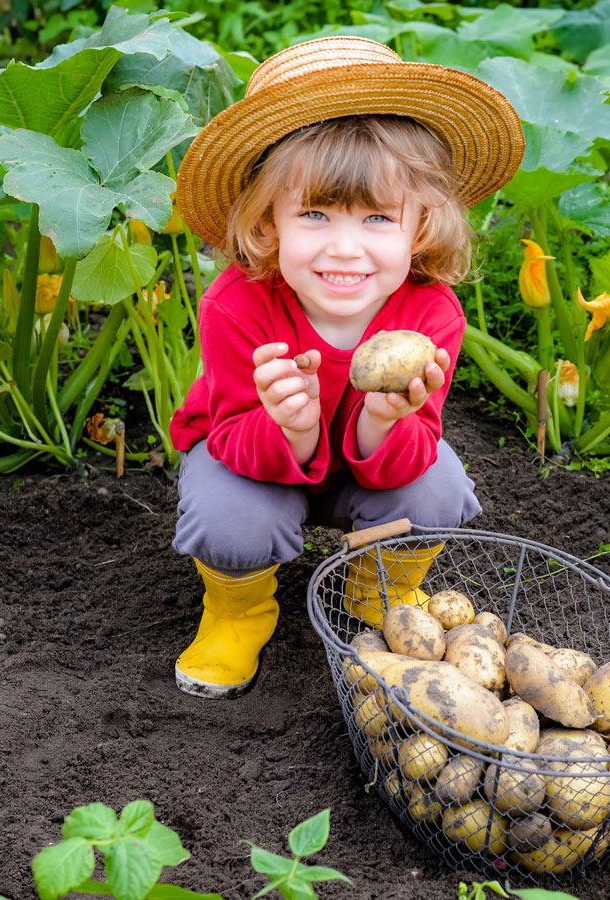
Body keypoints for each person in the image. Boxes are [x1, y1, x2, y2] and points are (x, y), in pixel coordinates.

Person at [165, 36, 525, 699]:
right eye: (315, 214)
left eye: (378, 218)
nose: (345, 247)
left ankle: (375, 591)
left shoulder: (430, 315)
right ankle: (239, 612)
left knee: (437, 489)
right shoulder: (238, 306)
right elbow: (230, 437)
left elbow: (411, 460)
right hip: (256, 465)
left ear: (419, 227)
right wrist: (294, 427)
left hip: (366, 473)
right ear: (269, 224)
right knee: (228, 516)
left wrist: (383, 423)